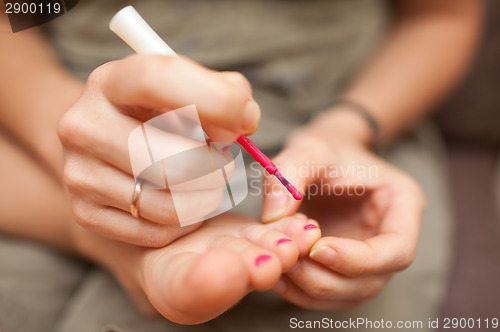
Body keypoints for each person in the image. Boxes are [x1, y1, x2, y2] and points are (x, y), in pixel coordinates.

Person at [0, 0, 482, 331]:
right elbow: (15, 14)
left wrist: (346, 129)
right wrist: (64, 131)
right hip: (50, 136)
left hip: (349, 119)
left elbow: (440, 14)